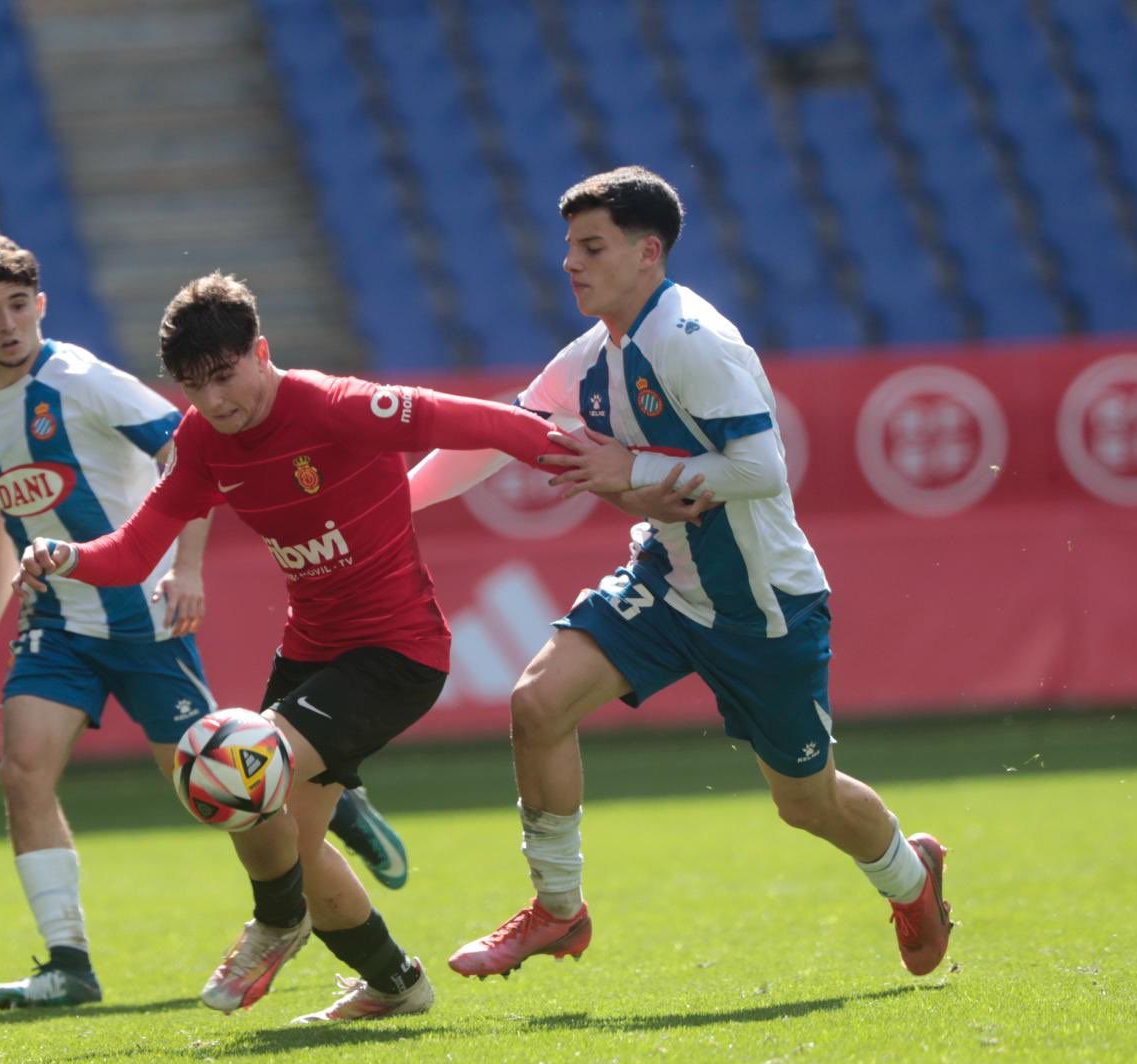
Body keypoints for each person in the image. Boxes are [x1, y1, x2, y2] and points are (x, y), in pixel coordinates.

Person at [407, 167, 955, 982]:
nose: (571, 263)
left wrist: (635, 465)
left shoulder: (694, 341)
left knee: (805, 801)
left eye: (592, 246)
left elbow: (764, 469)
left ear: (647, 252)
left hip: (761, 605)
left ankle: (911, 880)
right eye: (569, 248)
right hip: (667, 578)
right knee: (536, 703)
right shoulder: (594, 356)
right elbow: (506, 433)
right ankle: (559, 910)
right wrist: (397, 502)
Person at [14, 271, 561, 1022]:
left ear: (261, 351)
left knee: (238, 761)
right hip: (312, 647)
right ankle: (395, 982)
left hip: (398, 653)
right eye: (193, 385)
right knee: (280, 836)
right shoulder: (200, 441)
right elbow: (135, 552)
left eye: (224, 376)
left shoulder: (336, 406)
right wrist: (63, 556)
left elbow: (488, 424)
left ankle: (276, 923)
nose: (213, 400)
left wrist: (595, 460)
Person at [0, 236, 407, 1011]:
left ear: (41, 305)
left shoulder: (84, 381)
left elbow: (192, 454)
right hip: (54, 622)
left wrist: (184, 568)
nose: (8, 324)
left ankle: (328, 793)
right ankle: (68, 962)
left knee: (219, 790)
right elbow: (6, 506)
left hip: (140, 618)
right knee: (21, 769)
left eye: (19, 305)